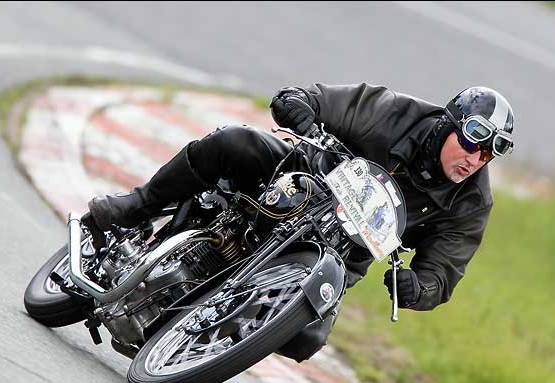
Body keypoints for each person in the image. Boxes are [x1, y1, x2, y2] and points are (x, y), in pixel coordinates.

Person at [82, 83, 515, 361]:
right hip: (300, 179)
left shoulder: (473, 202)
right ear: (449, 123)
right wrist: (299, 106)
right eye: (474, 140)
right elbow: (316, 99)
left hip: (343, 250)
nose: (476, 159)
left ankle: (193, 343)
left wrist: (418, 289)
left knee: (306, 338)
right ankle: (135, 206)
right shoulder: (396, 112)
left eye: (490, 152)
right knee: (234, 143)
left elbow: (442, 271)